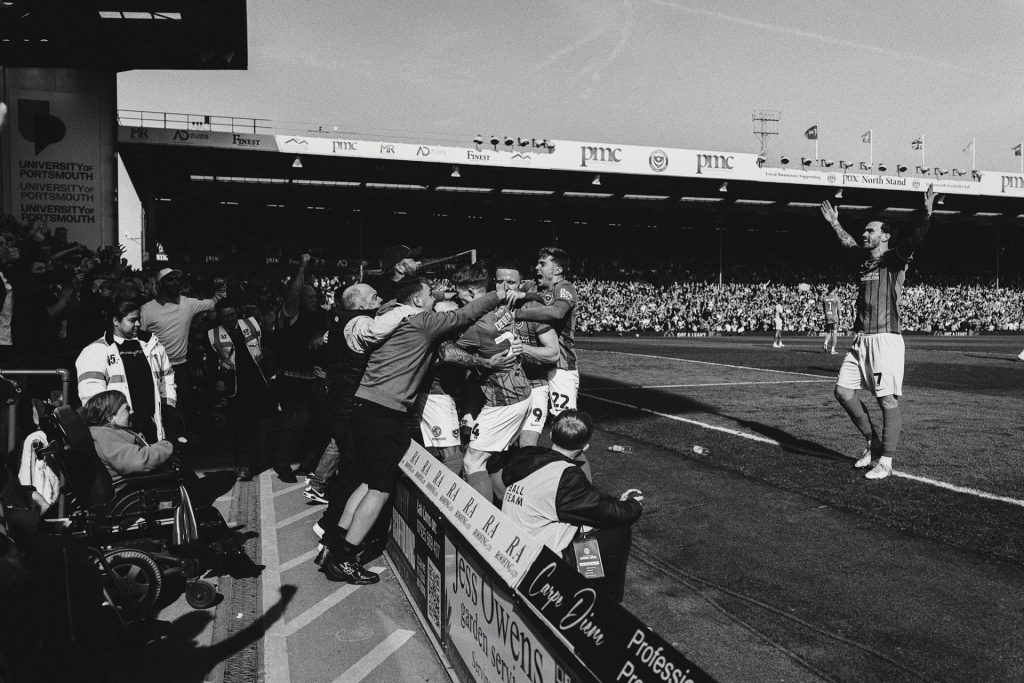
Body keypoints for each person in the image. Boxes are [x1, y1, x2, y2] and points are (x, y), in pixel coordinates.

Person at [320, 277, 511, 584]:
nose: (434, 299)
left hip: (366, 407)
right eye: (429, 295)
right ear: (418, 301)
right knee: (380, 489)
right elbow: (463, 316)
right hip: (383, 412)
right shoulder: (421, 320)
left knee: (369, 481)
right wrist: (497, 295)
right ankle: (343, 559)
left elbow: (444, 351)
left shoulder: (393, 319)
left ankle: (335, 545)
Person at [819, 184, 936, 480]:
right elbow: (848, 244)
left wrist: (926, 211)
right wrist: (835, 224)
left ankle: (886, 461)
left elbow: (916, 238)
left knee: (887, 401)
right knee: (843, 392)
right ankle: (873, 444)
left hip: (885, 339)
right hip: (861, 339)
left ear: (885, 236)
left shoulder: (895, 260)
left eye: (871, 231)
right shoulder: (865, 261)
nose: (865, 234)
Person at [500, 410, 643, 602]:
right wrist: (633, 505)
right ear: (585, 446)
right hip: (536, 563)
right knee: (616, 529)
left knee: (587, 521)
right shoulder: (565, 475)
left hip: (510, 547)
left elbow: (585, 500)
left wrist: (616, 503)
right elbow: (610, 512)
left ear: (550, 435)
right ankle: (603, 605)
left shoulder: (525, 458)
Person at [76, 299, 177, 443]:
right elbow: (91, 396)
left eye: (139, 319)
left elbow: (167, 376)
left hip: (153, 424)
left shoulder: (152, 344)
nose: (138, 324)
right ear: (116, 321)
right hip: (119, 429)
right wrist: (119, 419)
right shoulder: (95, 351)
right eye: (132, 320)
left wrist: (168, 407)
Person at [140, 267, 225, 428]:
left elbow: (215, 301)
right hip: (154, 368)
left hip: (179, 369)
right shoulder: (147, 310)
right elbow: (137, 339)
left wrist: (221, 286)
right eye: (170, 279)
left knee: (177, 408)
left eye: (177, 279)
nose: (176, 282)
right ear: (160, 284)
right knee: (157, 409)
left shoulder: (187, 303)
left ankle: (175, 443)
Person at [511, 247, 579, 417]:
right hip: (534, 364)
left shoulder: (565, 287)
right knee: (524, 418)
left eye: (542, 264)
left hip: (561, 366)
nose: (536, 267)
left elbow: (557, 312)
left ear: (557, 270)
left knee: (564, 420)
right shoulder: (533, 286)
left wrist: (518, 313)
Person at [203, 298, 267, 481]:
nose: (230, 319)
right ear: (220, 318)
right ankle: (243, 463)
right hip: (233, 388)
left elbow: (265, 347)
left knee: (253, 425)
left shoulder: (251, 325)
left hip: (255, 384)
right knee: (239, 427)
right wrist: (217, 381)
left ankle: (250, 462)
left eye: (232, 315)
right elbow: (210, 364)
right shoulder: (213, 335)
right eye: (225, 317)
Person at [81, 390, 174, 491]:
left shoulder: (113, 432)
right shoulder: (105, 436)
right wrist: (169, 445)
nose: (131, 412)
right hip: (132, 491)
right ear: (110, 418)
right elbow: (139, 461)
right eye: (127, 409)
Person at [821, 286, 841, 355]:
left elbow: (824, 309)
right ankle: (833, 350)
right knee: (834, 333)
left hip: (827, 316)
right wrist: (840, 316)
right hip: (834, 317)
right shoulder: (836, 297)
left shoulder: (825, 298)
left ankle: (825, 343)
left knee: (828, 332)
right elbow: (838, 309)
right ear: (834, 290)